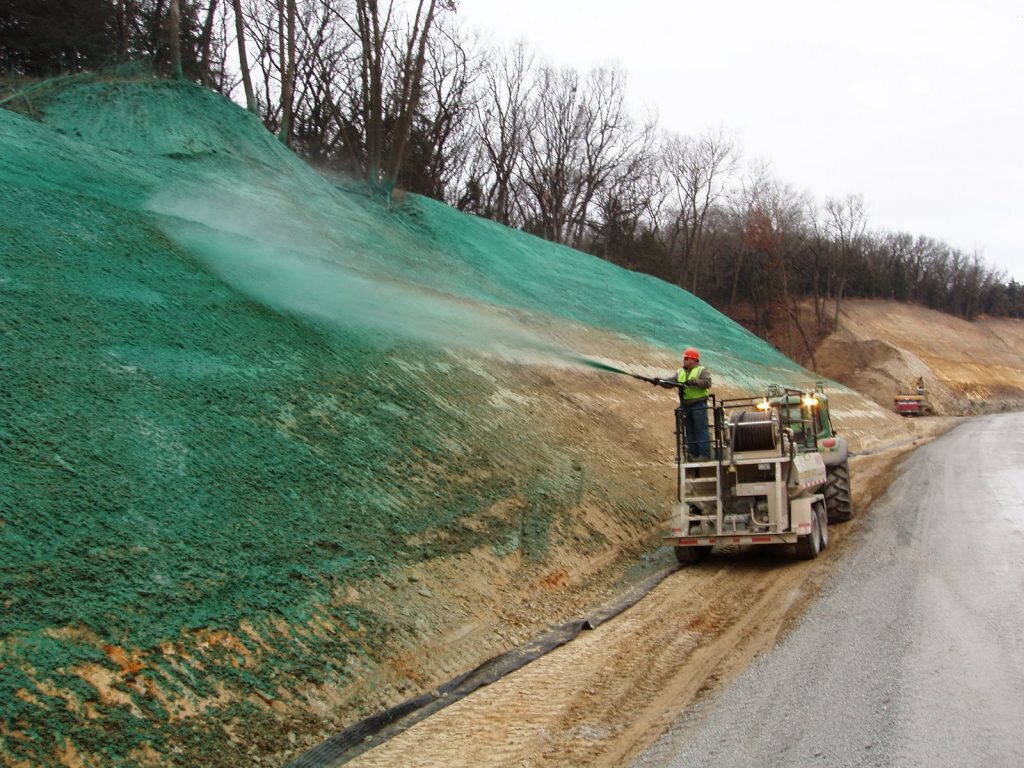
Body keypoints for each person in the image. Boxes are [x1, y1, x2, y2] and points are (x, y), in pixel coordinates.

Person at [653, 347, 712, 460]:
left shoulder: (702, 370)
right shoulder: (681, 372)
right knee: (688, 430)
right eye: (684, 358)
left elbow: (707, 382)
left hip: (699, 404)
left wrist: (695, 382)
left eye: (686, 358)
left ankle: (704, 454)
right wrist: (659, 381)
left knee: (700, 429)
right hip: (686, 405)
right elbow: (671, 382)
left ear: (694, 360)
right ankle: (692, 454)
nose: (684, 360)